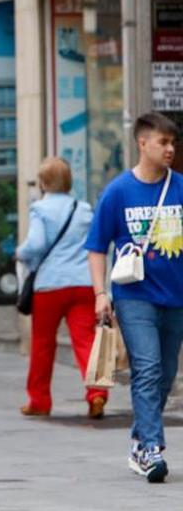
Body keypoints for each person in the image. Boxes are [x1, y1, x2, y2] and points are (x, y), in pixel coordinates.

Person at [87, 111, 183, 484]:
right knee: (147, 368)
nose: (170, 148)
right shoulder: (118, 191)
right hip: (134, 296)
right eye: (163, 142)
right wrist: (100, 294)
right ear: (143, 143)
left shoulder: (179, 187)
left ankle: (139, 439)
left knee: (167, 375)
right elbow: (96, 247)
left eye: (173, 142)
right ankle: (151, 449)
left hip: (175, 296)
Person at [16, 157, 107, 419]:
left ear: (43, 183)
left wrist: (20, 253)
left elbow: (36, 244)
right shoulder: (84, 209)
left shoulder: (40, 209)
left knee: (43, 344)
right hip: (83, 283)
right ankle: (97, 392)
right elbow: (96, 243)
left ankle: (39, 400)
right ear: (69, 181)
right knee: (86, 341)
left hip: (50, 287)